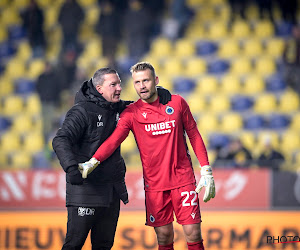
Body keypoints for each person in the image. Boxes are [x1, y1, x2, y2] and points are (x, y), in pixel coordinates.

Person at [80, 62, 216, 250]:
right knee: (164, 236)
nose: (142, 86)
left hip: (182, 179)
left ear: (156, 81)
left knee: (193, 233)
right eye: (137, 82)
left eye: (146, 80)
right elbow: (114, 140)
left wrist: (206, 169)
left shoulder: (177, 103)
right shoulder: (131, 113)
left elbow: (194, 134)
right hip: (155, 185)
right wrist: (93, 161)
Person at [52, 67, 171, 250]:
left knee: (104, 245)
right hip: (85, 190)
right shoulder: (81, 111)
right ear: (99, 89)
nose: (119, 88)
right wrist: (71, 168)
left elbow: (140, 106)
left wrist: (157, 94)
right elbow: (60, 139)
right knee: (74, 244)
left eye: (119, 84)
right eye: (113, 85)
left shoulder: (118, 107)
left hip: (111, 192)